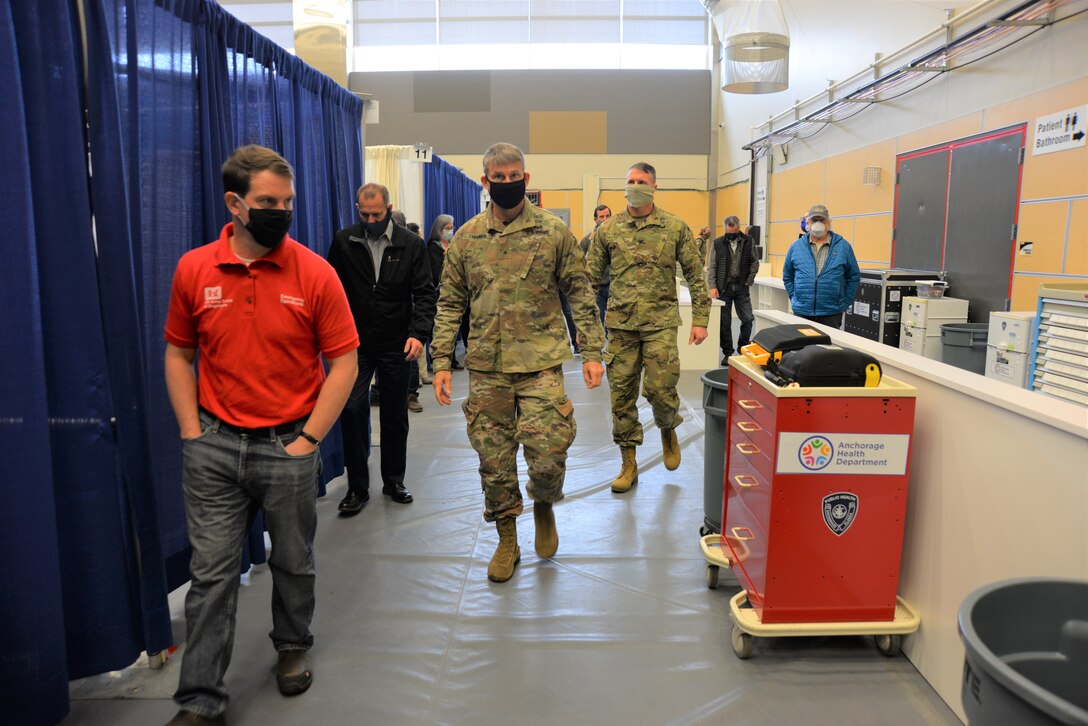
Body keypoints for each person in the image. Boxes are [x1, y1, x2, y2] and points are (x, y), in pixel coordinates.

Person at [162, 145, 359, 726]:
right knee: (212, 576)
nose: (280, 211)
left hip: (287, 444)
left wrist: (308, 441)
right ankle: (200, 699)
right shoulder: (195, 269)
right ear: (235, 204)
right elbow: (178, 353)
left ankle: (292, 643)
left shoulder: (314, 273)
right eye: (267, 202)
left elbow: (343, 362)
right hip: (215, 447)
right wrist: (192, 432)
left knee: (293, 561)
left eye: (288, 202)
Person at [431, 142, 604, 583]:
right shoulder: (466, 238)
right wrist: (441, 362)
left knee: (548, 454)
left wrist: (592, 352)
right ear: (485, 181)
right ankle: (507, 538)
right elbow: (450, 302)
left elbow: (581, 292)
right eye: (498, 178)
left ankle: (544, 501)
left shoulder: (552, 232)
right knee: (493, 459)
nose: (506, 184)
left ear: (526, 179)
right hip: (487, 365)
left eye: (514, 177)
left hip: (541, 362)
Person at [586, 161, 710, 494]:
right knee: (621, 398)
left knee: (660, 389)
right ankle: (628, 463)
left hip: (660, 324)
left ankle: (668, 428)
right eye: (630, 180)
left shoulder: (674, 227)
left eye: (641, 181)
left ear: (654, 187)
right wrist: (587, 332)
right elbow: (589, 280)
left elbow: (696, 275)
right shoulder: (608, 230)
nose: (634, 185)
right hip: (621, 327)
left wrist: (700, 320)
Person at [328, 183, 436, 515]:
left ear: (389, 208)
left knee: (394, 415)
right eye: (365, 214)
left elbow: (425, 293)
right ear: (357, 209)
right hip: (355, 345)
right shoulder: (345, 242)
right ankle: (357, 487)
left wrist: (419, 334)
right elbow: (332, 291)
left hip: (396, 343)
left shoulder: (411, 244)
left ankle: (393, 480)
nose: (371, 219)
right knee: (351, 409)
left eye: (377, 213)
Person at [782, 203, 861, 329]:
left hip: (831, 314)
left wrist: (844, 303)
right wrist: (795, 298)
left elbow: (853, 277)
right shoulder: (796, 247)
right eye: (814, 220)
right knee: (801, 348)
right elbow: (787, 276)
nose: (818, 223)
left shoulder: (843, 247)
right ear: (808, 223)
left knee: (827, 348)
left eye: (821, 220)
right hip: (802, 312)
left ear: (828, 222)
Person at [706, 215, 758, 363]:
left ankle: (742, 348)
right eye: (729, 232)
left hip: (742, 287)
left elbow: (755, 262)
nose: (732, 235)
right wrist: (712, 286)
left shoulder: (748, 241)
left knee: (748, 319)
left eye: (734, 232)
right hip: (724, 288)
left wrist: (749, 281)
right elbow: (712, 267)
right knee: (725, 322)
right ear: (725, 229)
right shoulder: (717, 243)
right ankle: (727, 353)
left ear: (738, 228)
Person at [419, 214, 455, 385]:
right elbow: (436, 272)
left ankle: (452, 359)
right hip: (438, 294)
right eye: (447, 228)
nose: (450, 231)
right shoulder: (433, 248)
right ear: (439, 229)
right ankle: (438, 361)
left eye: (451, 228)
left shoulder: (452, 245)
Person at [579, 204, 612, 326]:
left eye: (607, 216)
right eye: (601, 217)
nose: (604, 220)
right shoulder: (587, 240)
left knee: (614, 322)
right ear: (595, 220)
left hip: (614, 287)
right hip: (597, 288)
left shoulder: (617, 239)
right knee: (598, 320)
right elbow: (579, 262)